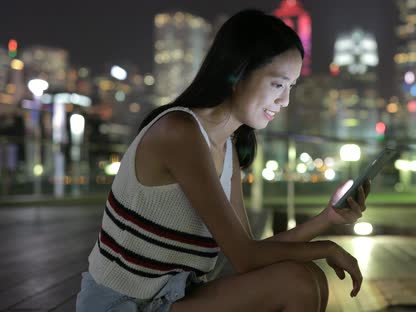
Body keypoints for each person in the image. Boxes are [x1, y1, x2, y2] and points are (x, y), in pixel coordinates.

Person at [76, 9, 370, 312]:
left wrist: (328, 218)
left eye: (291, 87)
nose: (285, 101)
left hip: (173, 299)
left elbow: (248, 252)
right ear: (239, 73)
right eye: (278, 84)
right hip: (124, 305)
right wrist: (327, 248)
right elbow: (246, 257)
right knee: (297, 281)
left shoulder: (227, 147)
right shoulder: (179, 132)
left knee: (310, 279)